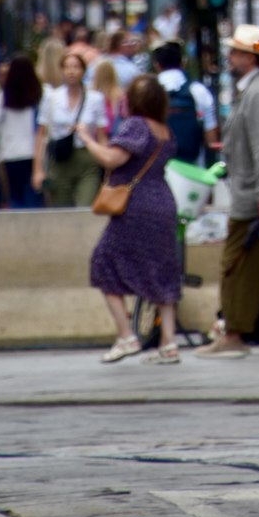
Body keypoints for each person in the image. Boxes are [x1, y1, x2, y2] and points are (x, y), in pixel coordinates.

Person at [77, 74, 182, 364]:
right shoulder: (164, 130)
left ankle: (126, 336)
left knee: (104, 263)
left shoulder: (136, 125)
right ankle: (169, 344)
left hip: (136, 205)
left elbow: (113, 159)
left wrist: (86, 138)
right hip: (163, 201)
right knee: (162, 270)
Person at [195, 25, 259, 359]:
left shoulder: (257, 94)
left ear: (252, 56)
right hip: (249, 194)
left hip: (252, 198)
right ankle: (237, 328)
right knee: (242, 266)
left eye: (237, 52)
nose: (231, 58)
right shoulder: (253, 91)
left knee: (237, 266)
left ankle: (235, 330)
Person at [33, 50, 107, 206]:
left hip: (87, 157)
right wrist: (38, 169)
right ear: (61, 70)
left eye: (76, 67)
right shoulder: (52, 98)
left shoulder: (95, 99)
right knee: (61, 207)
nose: (71, 71)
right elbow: (41, 134)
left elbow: (102, 135)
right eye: (67, 67)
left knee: (86, 205)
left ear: (83, 70)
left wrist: (107, 165)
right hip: (61, 157)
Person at [0, 55, 42, 209]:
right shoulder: (37, 94)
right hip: (32, 152)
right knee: (32, 195)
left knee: (15, 196)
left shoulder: (3, 97)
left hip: (10, 153)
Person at [151, 42, 212, 163]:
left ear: (156, 65)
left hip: (157, 167)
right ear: (183, 62)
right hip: (193, 167)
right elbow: (211, 133)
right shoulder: (198, 90)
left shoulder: (148, 92)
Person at [90, 58, 126, 138]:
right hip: (114, 132)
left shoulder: (91, 93)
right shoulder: (119, 93)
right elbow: (118, 114)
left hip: (96, 133)